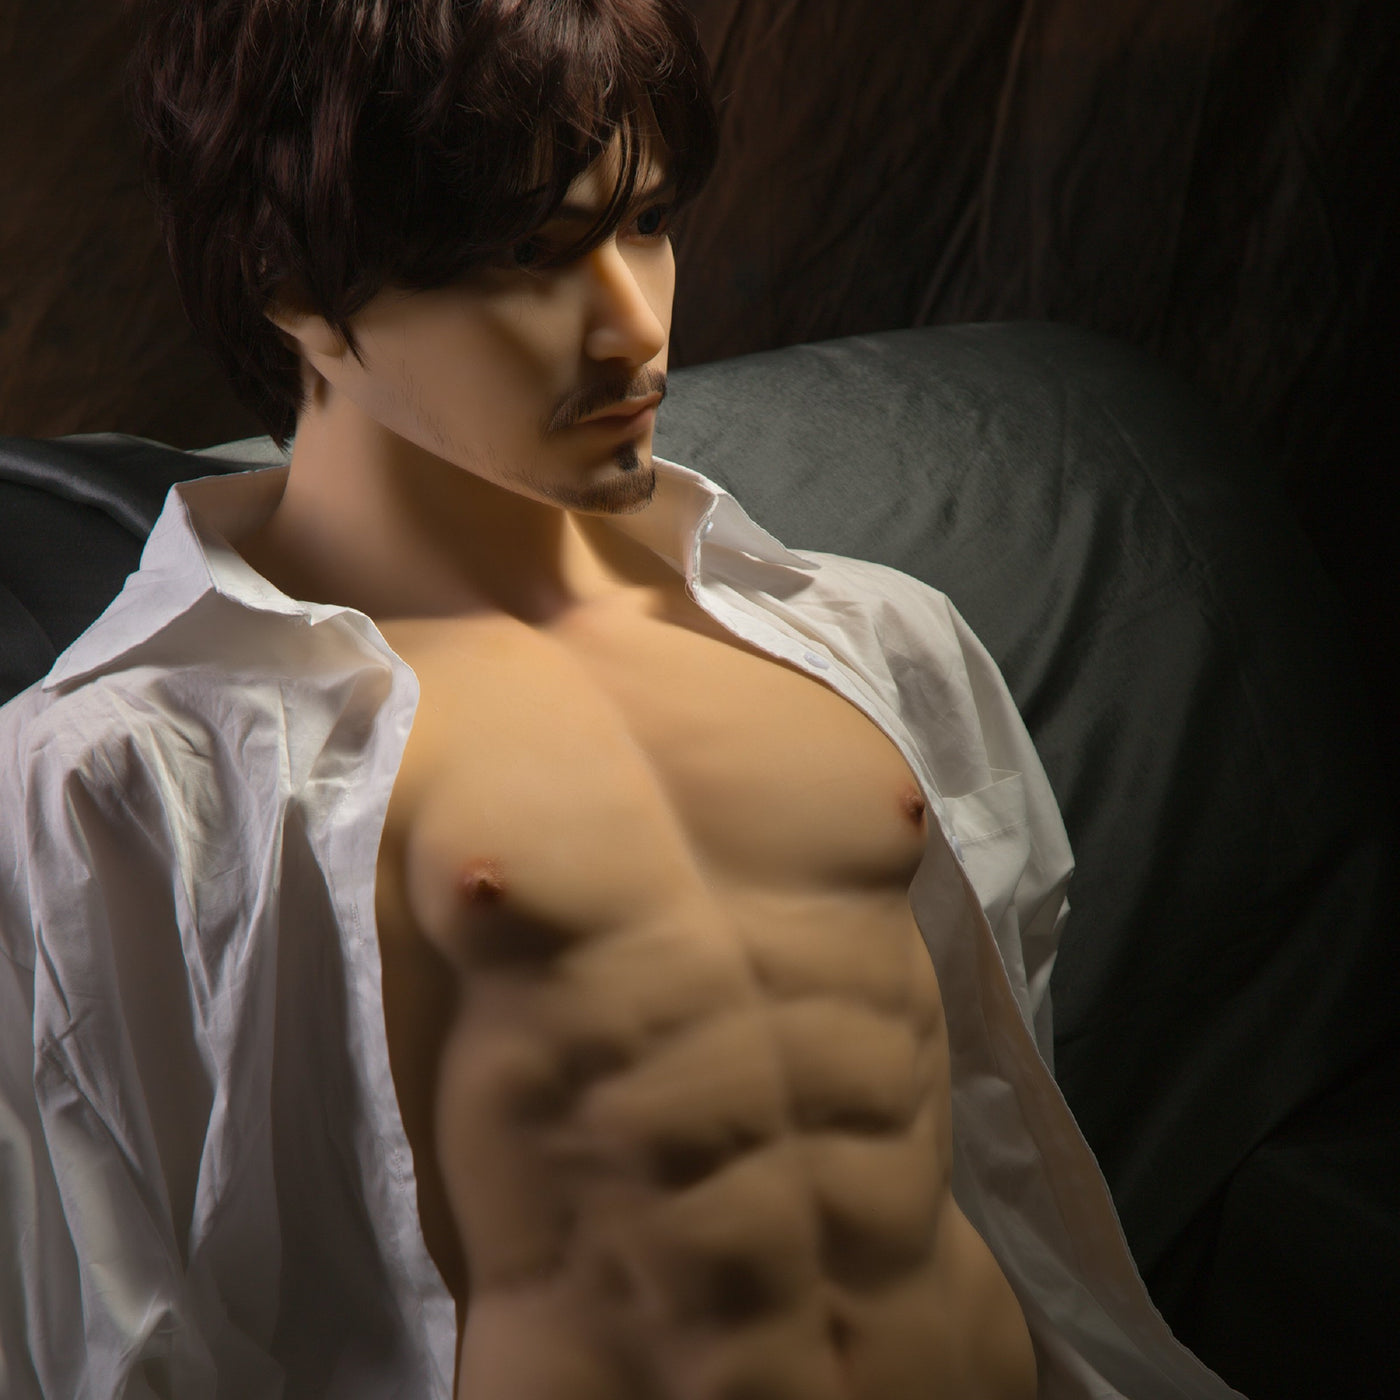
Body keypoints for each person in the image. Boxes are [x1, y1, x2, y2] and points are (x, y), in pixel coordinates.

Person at [0, 2, 1239, 1396]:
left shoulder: (876, 641)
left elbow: (1003, 1128)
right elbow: (107, 1334)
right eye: (532, 258)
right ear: (293, 285)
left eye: (645, 223)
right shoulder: (130, 776)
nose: (634, 327)